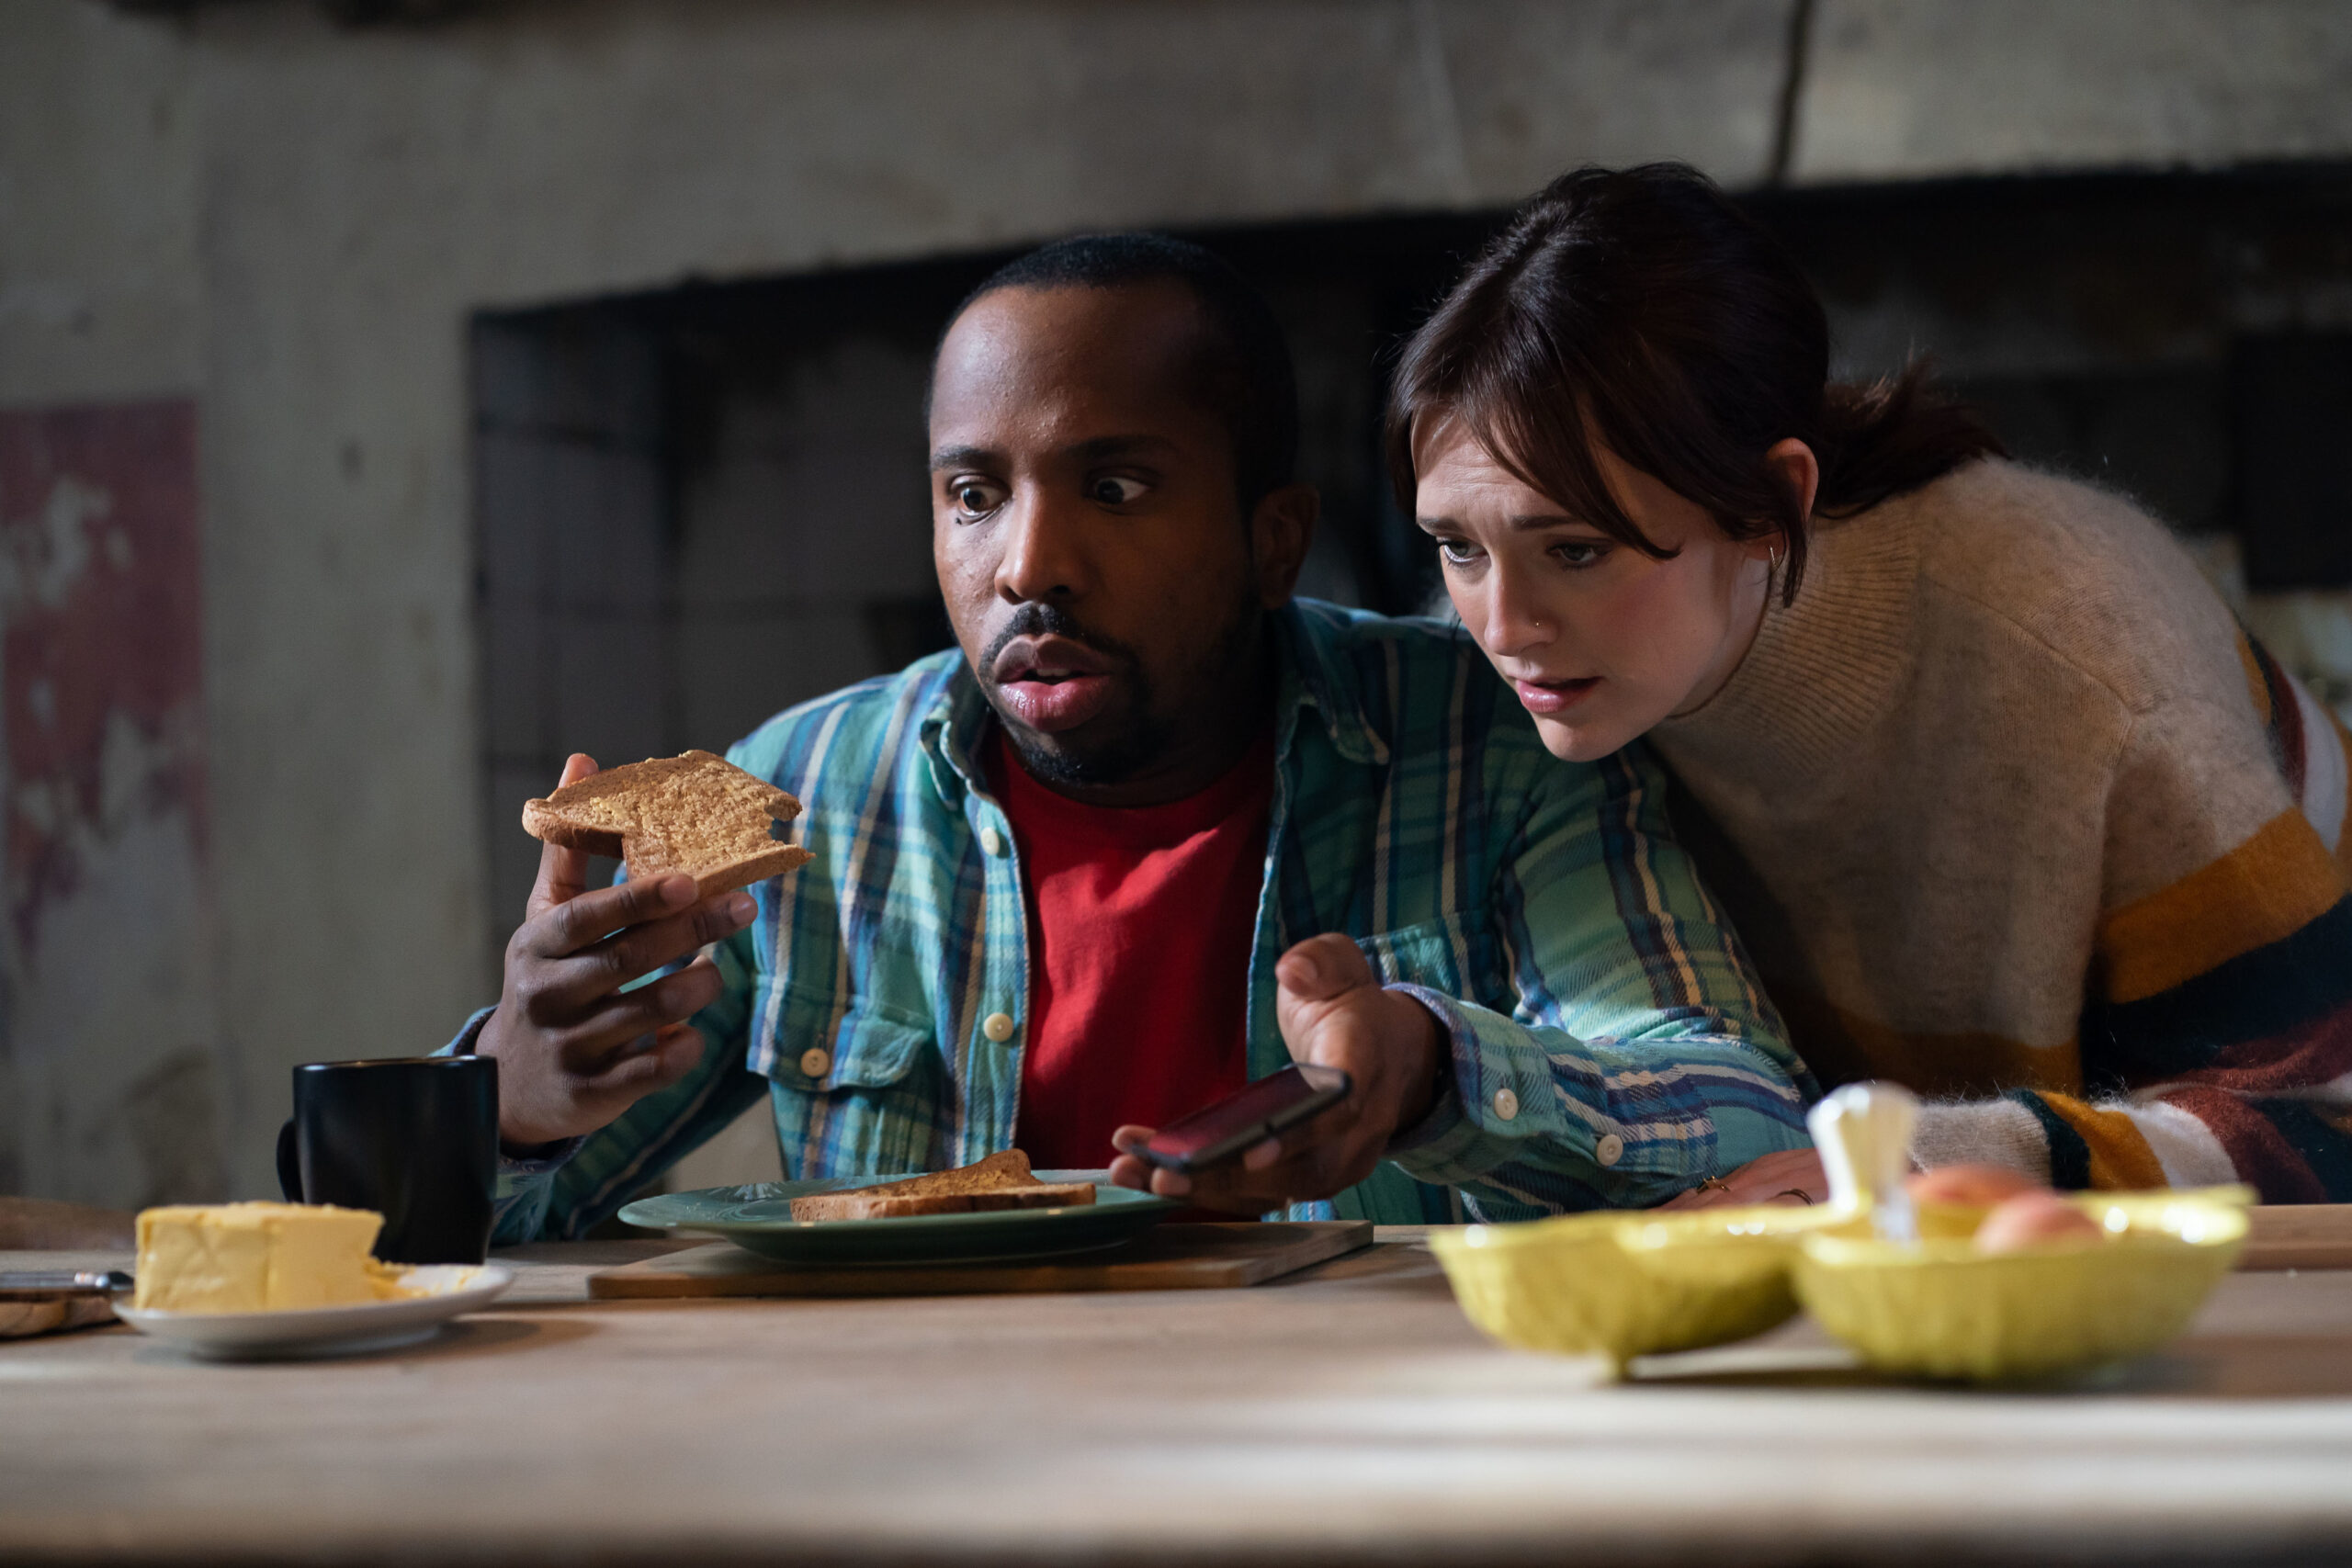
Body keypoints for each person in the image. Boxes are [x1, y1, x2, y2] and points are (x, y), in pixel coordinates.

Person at [453, 232, 1815, 1239]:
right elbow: (424, 1242)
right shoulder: (810, 796)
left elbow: (1747, 1111)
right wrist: (509, 1107)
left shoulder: (1495, 735)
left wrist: (1432, 1069)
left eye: (1114, 485)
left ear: (1272, 537)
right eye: (974, 494)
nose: (1029, 564)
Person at [1390, 164, 2352, 1205]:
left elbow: (2321, 1126)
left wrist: (1914, 1170)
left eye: (1574, 552)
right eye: (1456, 547)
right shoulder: (1515, 680)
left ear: (1771, 504)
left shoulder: (2085, 655)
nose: (1499, 627)